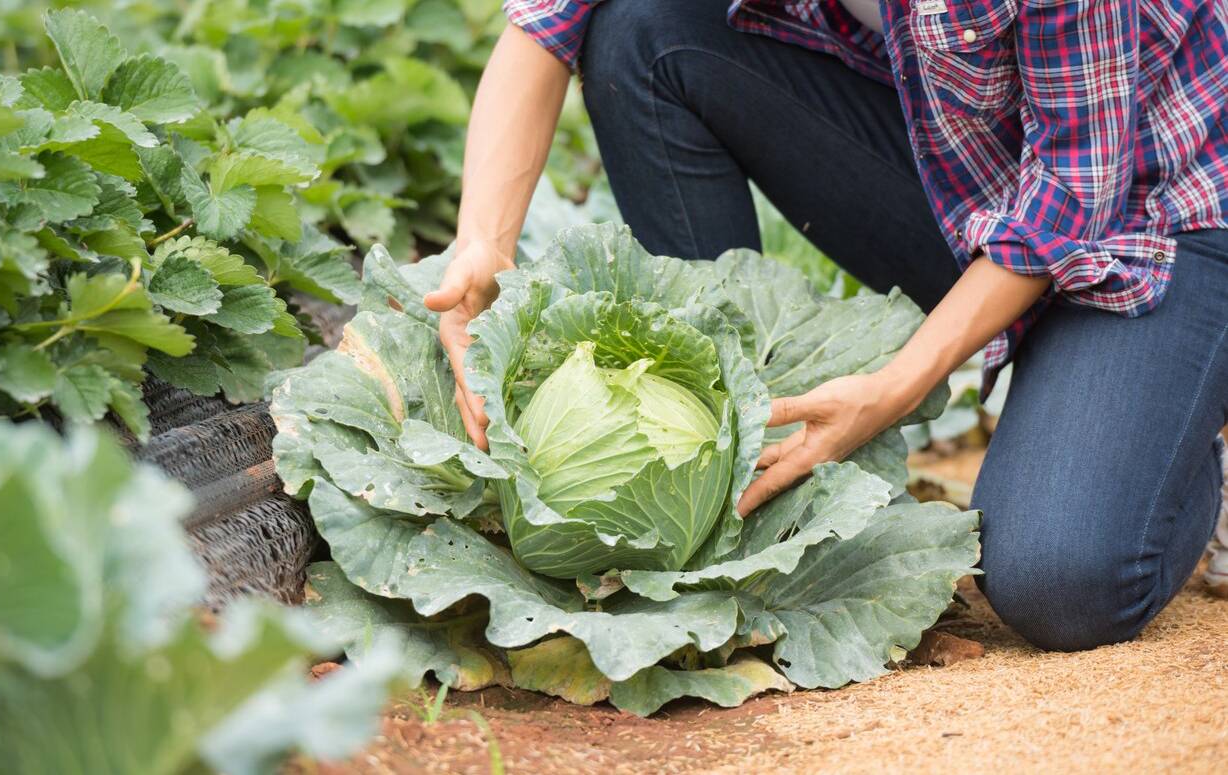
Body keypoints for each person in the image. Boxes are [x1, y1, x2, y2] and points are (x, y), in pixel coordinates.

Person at [422, 0, 1228, 651]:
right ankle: (742, 477)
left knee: (1060, 584)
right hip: (969, 169)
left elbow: (1070, 197)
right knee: (643, 28)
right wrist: (482, 247)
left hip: (1160, 214)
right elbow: (549, 19)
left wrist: (890, 387)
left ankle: (1179, 418)